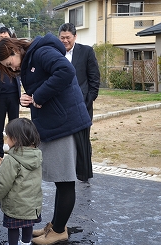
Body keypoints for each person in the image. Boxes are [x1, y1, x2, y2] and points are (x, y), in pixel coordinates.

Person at [0, 33, 92, 245]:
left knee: (64, 180)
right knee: (60, 179)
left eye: (10, 63)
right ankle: (56, 224)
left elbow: (66, 71)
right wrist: (28, 99)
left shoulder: (41, 52)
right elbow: (45, 86)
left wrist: (38, 96)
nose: (12, 69)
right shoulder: (30, 61)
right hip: (57, 122)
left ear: (15, 50)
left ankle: (58, 231)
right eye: (7, 68)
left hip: (65, 124)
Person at [0, 118, 42, 245]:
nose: (7, 139)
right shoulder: (37, 155)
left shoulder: (12, 159)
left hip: (16, 203)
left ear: (15, 139)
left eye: (8, 136)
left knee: (13, 226)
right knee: (28, 224)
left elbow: (4, 183)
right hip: (33, 202)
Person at [59, 23, 100, 182]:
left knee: (83, 139)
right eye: (62, 38)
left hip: (83, 103)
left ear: (75, 37)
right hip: (62, 105)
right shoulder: (55, 53)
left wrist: (90, 99)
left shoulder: (86, 51)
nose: (64, 41)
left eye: (68, 38)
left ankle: (83, 173)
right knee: (66, 139)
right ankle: (68, 171)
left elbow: (94, 78)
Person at [0, 27, 21, 167]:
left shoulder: (16, 55)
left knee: (15, 126)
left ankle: (15, 155)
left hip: (14, 95)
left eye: (6, 37)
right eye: (1, 38)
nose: (4, 40)